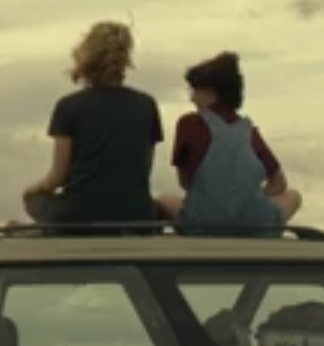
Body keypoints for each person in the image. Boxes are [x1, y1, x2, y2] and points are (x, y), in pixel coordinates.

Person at [21, 20, 166, 234]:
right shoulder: (146, 105)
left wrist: (33, 189)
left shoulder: (68, 107)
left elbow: (58, 177)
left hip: (79, 216)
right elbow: (143, 169)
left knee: (33, 199)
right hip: (135, 214)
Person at [159, 51, 304, 237]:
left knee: (164, 199)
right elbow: (279, 184)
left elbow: (185, 183)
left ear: (211, 93)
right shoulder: (250, 132)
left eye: (194, 90)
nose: (192, 98)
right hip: (255, 224)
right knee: (294, 196)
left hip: (203, 224)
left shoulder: (189, 123)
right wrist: (246, 200)